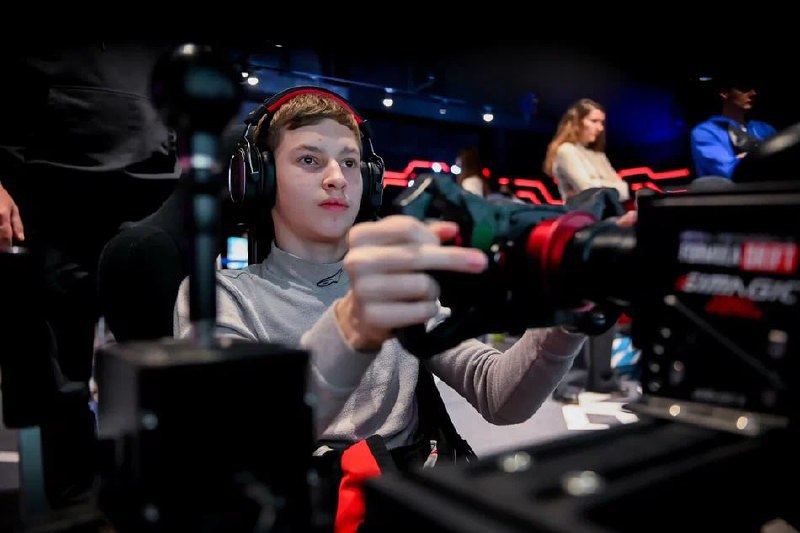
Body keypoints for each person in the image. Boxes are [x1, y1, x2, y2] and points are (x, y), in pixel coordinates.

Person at [173, 88, 587, 474]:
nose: (337, 178)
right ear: (260, 178)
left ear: (369, 181)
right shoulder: (221, 297)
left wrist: (568, 314)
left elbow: (499, 398)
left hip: (404, 496)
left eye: (350, 162)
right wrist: (352, 326)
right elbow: (240, 440)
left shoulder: (397, 281)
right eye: (309, 160)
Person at [0, 43, 182, 509]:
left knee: (168, 365)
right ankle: (74, 509)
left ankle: (160, 502)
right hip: (47, 184)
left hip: (151, 184)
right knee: (60, 378)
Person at [543, 98, 630, 203]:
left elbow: (625, 190)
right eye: (594, 121)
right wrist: (608, 185)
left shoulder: (598, 155)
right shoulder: (567, 150)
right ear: (576, 123)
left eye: (602, 123)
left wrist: (596, 183)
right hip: (583, 212)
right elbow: (588, 191)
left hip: (608, 209)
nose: (600, 128)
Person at [690, 75, 776, 180]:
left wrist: (742, 158)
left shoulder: (765, 129)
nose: (753, 93)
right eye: (744, 88)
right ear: (725, 93)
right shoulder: (706, 131)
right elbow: (727, 170)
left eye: (754, 88)